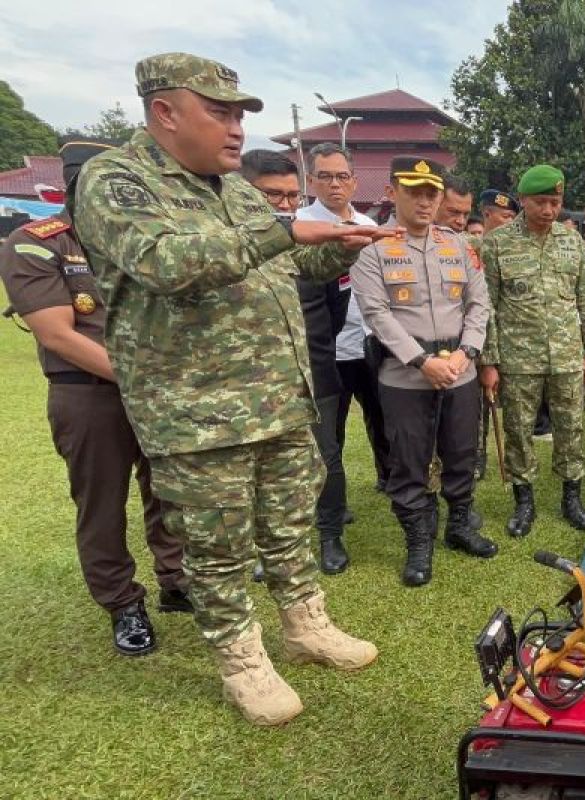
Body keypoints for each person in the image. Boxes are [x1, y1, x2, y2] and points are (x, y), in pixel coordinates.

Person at [74, 52, 381, 725]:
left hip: (276, 396)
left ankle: (304, 626)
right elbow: (160, 260)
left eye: (240, 113)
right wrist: (280, 231)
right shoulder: (115, 180)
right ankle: (242, 660)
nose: (236, 128)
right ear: (164, 111)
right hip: (197, 410)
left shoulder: (233, 187)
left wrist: (345, 246)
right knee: (217, 543)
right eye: (219, 111)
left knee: (289, 521)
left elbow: (296, 257)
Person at [0, 138, 187, 657]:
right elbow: (59, 334)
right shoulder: (38, 241)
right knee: (102, 506)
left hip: (156, 394)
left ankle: (176, 581)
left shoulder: (141, 243)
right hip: (89, 396)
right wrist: (141, 380)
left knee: (169, 493)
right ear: (77, 184)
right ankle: (122, 603)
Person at [352, 156, 497, 587]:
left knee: (462, 453)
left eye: (431, 192)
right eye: (413, 191)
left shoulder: (457, 245)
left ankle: (459, 526)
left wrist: (466, 353)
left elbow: (478, 303)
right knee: (409, 462)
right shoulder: (373, 248)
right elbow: (376, 314)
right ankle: (419, 543)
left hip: (459, 369)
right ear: (392, 191)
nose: (424, 201)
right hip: (405, 375)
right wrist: (422, 361)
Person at [241, 149, 352, 575]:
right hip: (251, 382)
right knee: (260, 466)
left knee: (325, 456)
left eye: (291, 195)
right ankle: (266, 546)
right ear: (244, 192)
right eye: (273, 195)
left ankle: (330, 536)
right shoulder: (225, 251)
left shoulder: (308, 246)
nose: (285, 205)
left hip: (314, 372)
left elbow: (335, 305)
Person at [478, 164, 585, 537]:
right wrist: (490, 361)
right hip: (518, 359)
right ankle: (524, 502)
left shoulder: (572, 243)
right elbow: (486, 307)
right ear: (523, 201)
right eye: (541, 202)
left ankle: (571, 498)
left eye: (555, 201)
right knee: (518, 431)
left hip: (566, 356)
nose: (549, 210)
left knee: (571, 429)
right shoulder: (497, 244)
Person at [296, 144, 391, 498]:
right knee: (330, 429)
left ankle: (390, 479)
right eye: (325, 176)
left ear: (354, 181)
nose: (335, 184)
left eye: (342, 176)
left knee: (381, 419)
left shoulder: (369, 226)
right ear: (311, 180)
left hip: (370, 340)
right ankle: (333, 497)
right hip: (328, 348)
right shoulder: (300, 225)